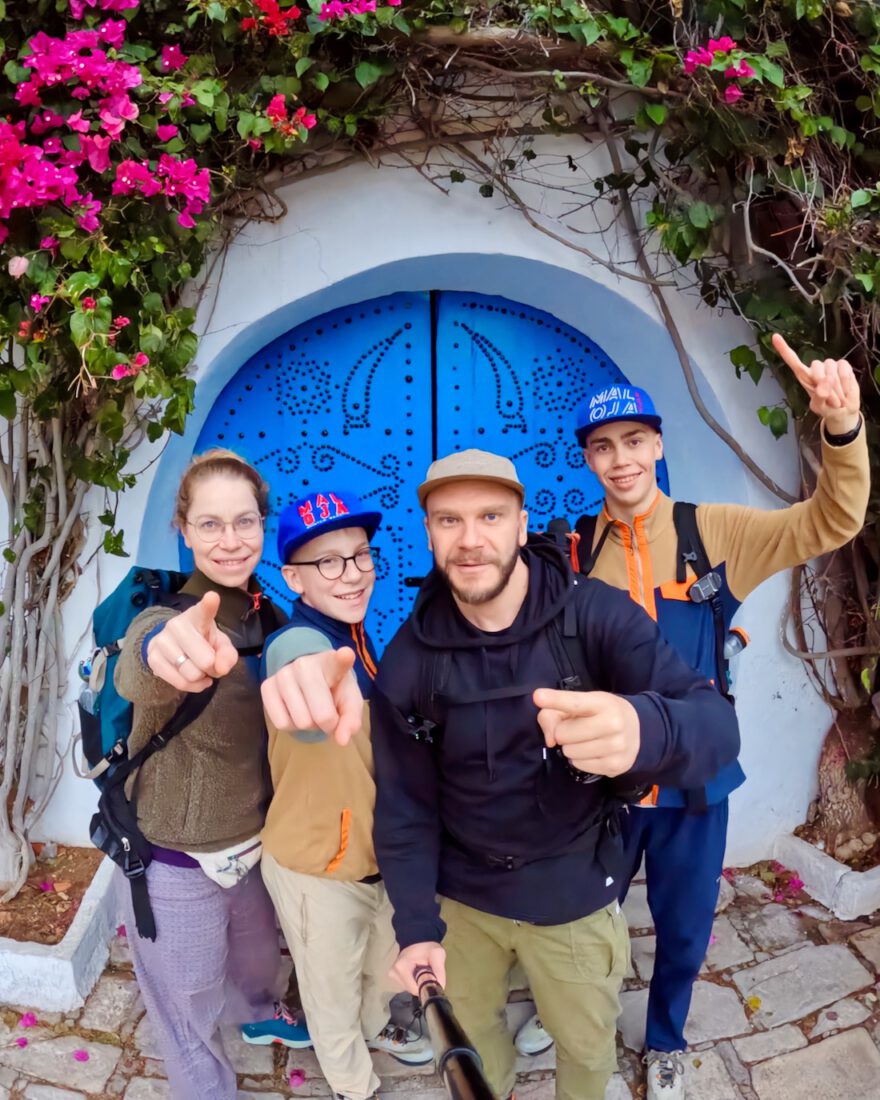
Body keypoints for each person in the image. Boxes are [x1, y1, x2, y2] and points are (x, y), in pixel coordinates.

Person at [265, 449, 741, 1100]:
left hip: (573, 899)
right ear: (428, 533)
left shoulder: (593, 616)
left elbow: (716, 725)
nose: (470, 539)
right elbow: (405, 809)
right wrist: (415, 929)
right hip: (464, 910)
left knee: (584, 1049)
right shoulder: (411, 657)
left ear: (522, 524)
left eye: (490, 515)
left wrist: (645, 728)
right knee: (479, 1056)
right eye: (448, 520)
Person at [516, 336, 870, 1099]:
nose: (621, 460)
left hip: (695, 779)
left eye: (635, 442)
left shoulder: (715, 532)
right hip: (600, 783)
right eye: (604, 447)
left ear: (658, 445)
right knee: (582, 914)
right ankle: (569, 1005)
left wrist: (842, 430)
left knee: (683, 924)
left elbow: (831, 521)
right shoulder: (574, 550)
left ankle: (667, 1037)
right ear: (588, 459)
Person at [114, 449, 299, 1100]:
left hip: (252, 852)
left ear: (262, 525)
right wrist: (156, 652)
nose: (230, 540)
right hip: (176, 862)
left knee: (254, 970)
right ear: (184, 530)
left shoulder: (268, 616)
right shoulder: (172, 617)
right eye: (211, 524)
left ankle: (256, 1019)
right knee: (186, 1011)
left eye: (243, 522)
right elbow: (143, 659)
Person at [253, 490, 433, 1100]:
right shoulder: (302, 641)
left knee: (376, 968)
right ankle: (355, 1087)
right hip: (316, 869)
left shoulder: (359, 637)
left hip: (375, 856)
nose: (351, 573)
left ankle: (374, 1029)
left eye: (359, 556)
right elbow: (296, 669)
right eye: (328, 562)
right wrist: (307, 685)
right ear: (293, 578)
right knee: (328, 993)